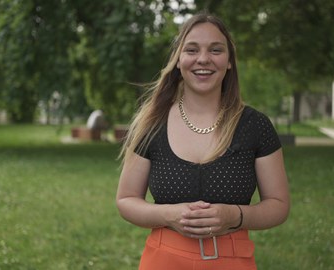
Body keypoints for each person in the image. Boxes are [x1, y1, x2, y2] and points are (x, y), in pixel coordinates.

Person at [116, 12, 290, 270]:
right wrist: (169, 214)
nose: (203, 59)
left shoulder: (256, 126)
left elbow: (278, 205)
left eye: (216, 50)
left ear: (229, 61)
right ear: (178, 60)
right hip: (163, 260)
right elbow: (126, 199)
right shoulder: (151, 124)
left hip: (233, 261)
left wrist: (235, 216)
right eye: (192, 49)